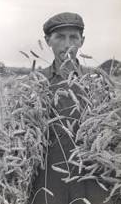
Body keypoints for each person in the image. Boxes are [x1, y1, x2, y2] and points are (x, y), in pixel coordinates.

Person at [30, 12, 117, 204]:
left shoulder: (98, 80)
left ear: (82, 41)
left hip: (92, 175)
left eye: (73, 37)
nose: (67, 43)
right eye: (60, 37)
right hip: (48, 178)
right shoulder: (35, 82)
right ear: (48, 40)